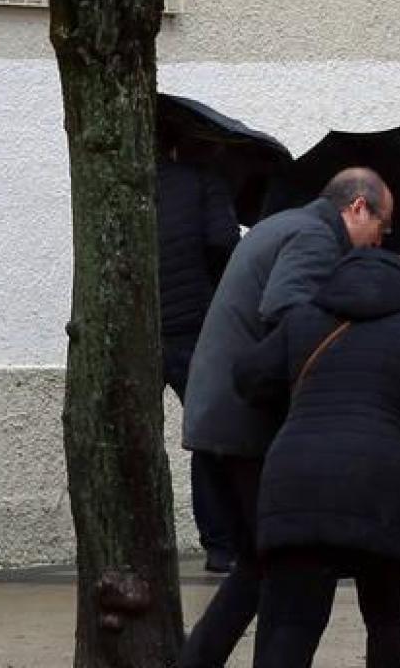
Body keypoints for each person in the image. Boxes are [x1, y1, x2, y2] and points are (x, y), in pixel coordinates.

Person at [179, 167, 395, 668]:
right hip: (245, 424)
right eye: (381, 228)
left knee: (258, 564)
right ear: (358, 207)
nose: (379, 242)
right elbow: (290, 315)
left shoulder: (284, 225)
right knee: (290, 568)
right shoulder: (316, 239)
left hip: (220, 416)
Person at [233, 250, 400, 668]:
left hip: (294, 482)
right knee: (387, 622)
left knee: (292, 624)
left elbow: (249, 377)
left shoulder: (304, 317)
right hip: (382, 486)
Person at [156, 141, 243, 573]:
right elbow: (222, 242)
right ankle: (221, 544)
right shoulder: (205, 180)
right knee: (211, 437)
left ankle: (144, 541)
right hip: (194, 326)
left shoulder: (128, 183)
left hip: (141, 326)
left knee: (138, 441)